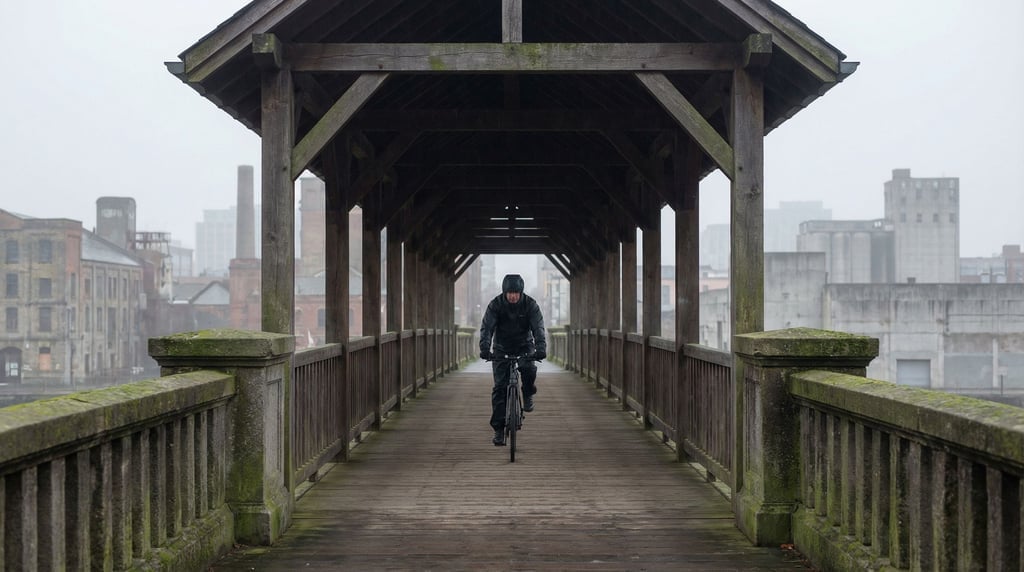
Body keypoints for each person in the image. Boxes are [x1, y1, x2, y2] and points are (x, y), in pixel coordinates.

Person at [479, 273, 547, 446]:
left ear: (521, 292)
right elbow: (487, 328)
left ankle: (528, 392)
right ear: (504, 292)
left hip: (524, 346)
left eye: (516, 292)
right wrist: (485, 349)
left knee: (529, 369)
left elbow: (538, 327)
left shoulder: (530, 305)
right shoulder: (496, 305)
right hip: (501, 348)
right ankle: (499, 430)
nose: (513, 296)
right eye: (509, 292)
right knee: (500, 388)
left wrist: (541, 349)